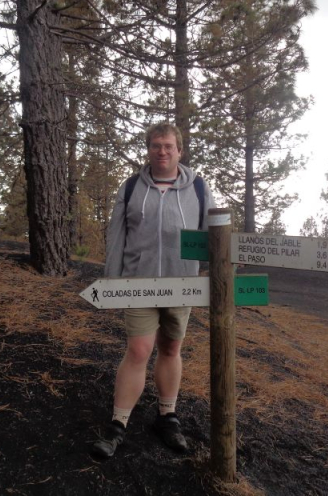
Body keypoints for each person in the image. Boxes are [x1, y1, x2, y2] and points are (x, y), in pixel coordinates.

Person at [91, 123, 214, 458]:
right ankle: (118, 424)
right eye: (156, 145)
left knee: (171, 348)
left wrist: (209, 274)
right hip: (139, 283)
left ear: (179, 151)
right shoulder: (132, 187)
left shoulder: (199, 188)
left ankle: (167, 417)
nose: (162, 151)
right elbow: (117, 235)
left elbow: (212, 235)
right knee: (139, 350)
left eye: (169, 146)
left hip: (181, 283)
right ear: (148, 149)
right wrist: (112, 280)